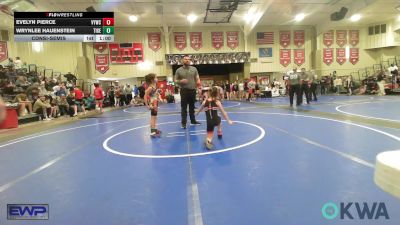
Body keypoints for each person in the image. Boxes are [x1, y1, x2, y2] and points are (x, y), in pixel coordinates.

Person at [174, 55, 202, 129]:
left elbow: (197, 78)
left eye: (188, 59)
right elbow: (175, 81)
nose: (187, 60)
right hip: (184, 91)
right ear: (182, 60)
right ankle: (183, 123)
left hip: (193, 90)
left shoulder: (194, 69)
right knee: (184, 108)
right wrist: (180, 81)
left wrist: (199, 85)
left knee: (192, 107)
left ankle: (193, 121)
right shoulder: (178, 70)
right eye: (185, 59)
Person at [144, 73, 162, 138]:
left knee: (155, 117)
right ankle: (152, 132)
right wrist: (147, 105)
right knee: (153, 117)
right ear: (152, 80)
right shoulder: (150, 88)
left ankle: (154, 130)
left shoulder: (154, 86)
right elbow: (145, 96)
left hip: (155, 102)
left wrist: (159, 98)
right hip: (152, 103)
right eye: (156, 77)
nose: (157, 79)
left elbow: (155, 95)